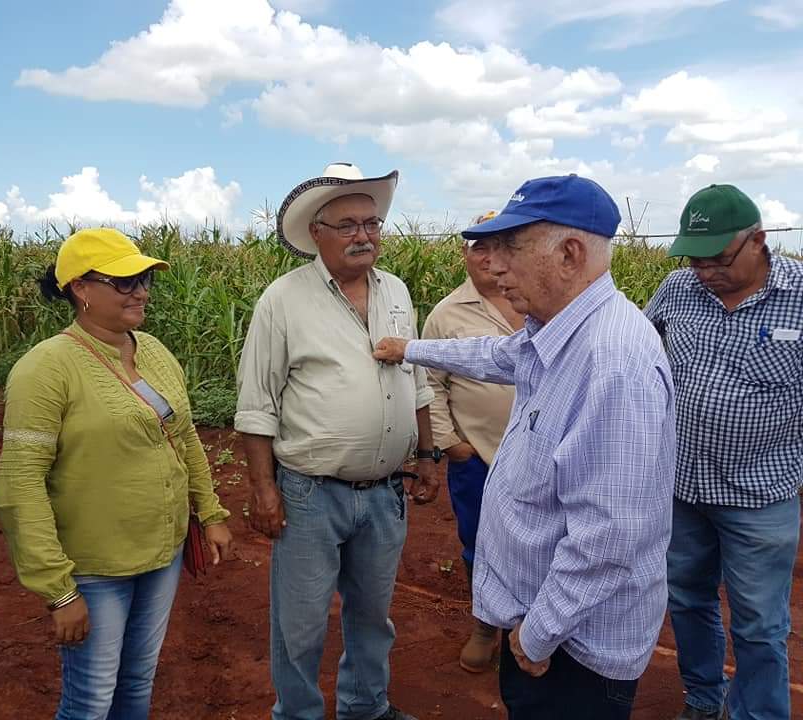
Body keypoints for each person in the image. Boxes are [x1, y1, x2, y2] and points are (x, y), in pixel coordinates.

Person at [373, 175, 676, 719]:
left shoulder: (614, 362)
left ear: (570, 253)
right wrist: (411, 349)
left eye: (510, 248)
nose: (493, 266)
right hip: (544, 625)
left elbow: (609, 537)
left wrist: (535, 636)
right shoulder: (556, 332)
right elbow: (493, 354)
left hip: (571, 649)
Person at [0, 227, 232, 720]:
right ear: (80, 288)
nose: (140, 290)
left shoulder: (154, 352)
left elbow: (185, 438)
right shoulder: (46, 368)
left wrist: (210, 512)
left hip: (161, 554)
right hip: (95, 568)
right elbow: (20, 483)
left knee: (137, 681)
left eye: (142, 278)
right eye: (124, 282)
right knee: (90, 700)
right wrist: (59, 590)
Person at [235, 163, 438, 720]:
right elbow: (257, 404)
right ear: (316, 233)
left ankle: (365, 707)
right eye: (347, 224)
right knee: (299, 624)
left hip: (384, 491)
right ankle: (297, 712)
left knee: (373, 616)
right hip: (309, 493)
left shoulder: (396, 291)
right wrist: (263, 489)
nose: (363, 235)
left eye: (371, 223)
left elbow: (415, 378)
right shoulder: (283, 300)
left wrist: (426, 453)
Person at [645, 184, 802, 720]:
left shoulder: (800, 295)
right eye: (694, 257)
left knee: (759, 622)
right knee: (687, 598)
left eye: (717, 258)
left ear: (758, 240)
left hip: (760, 495)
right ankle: (703, 699)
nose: (704, 270)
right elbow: (640, 350)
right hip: (682, 486)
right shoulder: (677, 289)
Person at [421, 210, 524, 672]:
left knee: (542, 540)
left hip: (540, 456)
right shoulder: (448, 313)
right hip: (478, 456)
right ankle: (486, 624)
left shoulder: (538, 301)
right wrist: (451, 443)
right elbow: (430, 381)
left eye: (498, 245)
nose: (487, 256)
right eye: (477, 246)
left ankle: (532, 627)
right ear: (465, 254)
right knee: (479, 541)